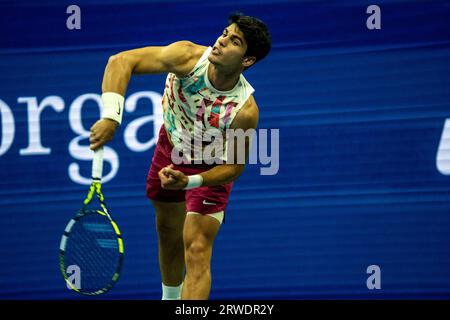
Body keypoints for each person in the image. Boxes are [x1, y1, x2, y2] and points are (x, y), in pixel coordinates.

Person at [89, 13, 271, 300]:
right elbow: (121, 61)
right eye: (224, 33)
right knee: (168, 230)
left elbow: (234, 167)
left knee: (197, 247)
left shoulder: (244, 110)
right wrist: (111, 117)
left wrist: (190, 181)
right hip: (170, 149)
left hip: (211, 167)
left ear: (247, 60)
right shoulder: (187, 58)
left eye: (234, 41)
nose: (221, 41)